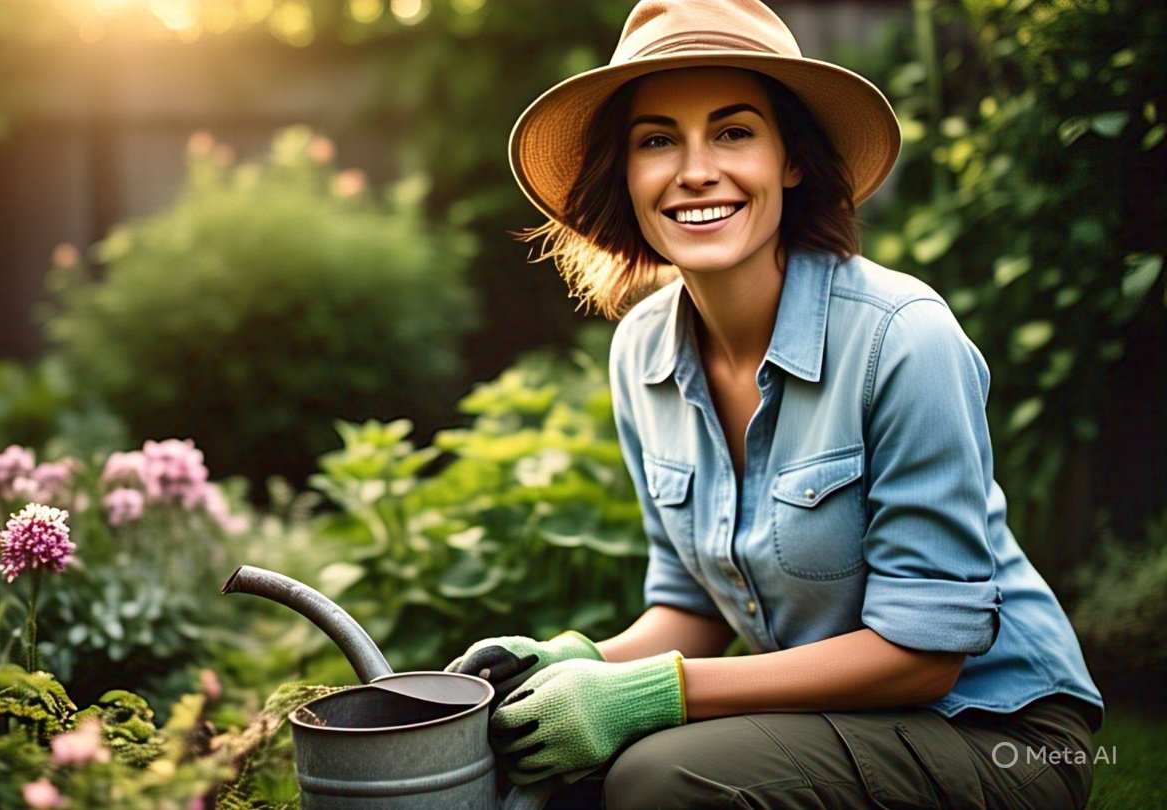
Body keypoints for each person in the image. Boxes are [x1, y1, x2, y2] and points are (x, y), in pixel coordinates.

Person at [444, 1, 1104, 807]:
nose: (694, 170)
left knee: (658, 779)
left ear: (791, 158)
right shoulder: (642, 353)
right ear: (625, 171)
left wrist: (654, 698)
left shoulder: (903, 339)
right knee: (544, 764)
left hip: (995, 731)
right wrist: (572, 660)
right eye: (657, 140)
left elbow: (926, 655)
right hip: (831, 719)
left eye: (733, 132)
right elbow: (688, 609)